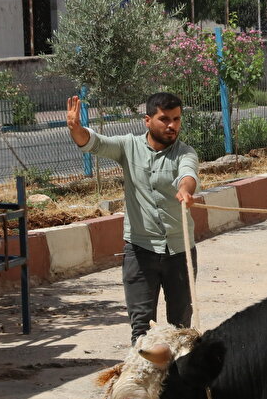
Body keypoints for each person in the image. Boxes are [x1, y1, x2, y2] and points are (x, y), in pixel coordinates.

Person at [66, 92, 199, 345]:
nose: (172, 126)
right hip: (140, 252)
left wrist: (185, 190)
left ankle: (177, 382)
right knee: (141, 329)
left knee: (180, 330)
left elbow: (188, 173)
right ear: (147, 120)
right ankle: (142, 380)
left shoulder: (185, 152)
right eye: (165, 119)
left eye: (177, 119)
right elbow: (95, 142)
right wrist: (76, 129)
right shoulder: (128, 146)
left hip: (180, 252)